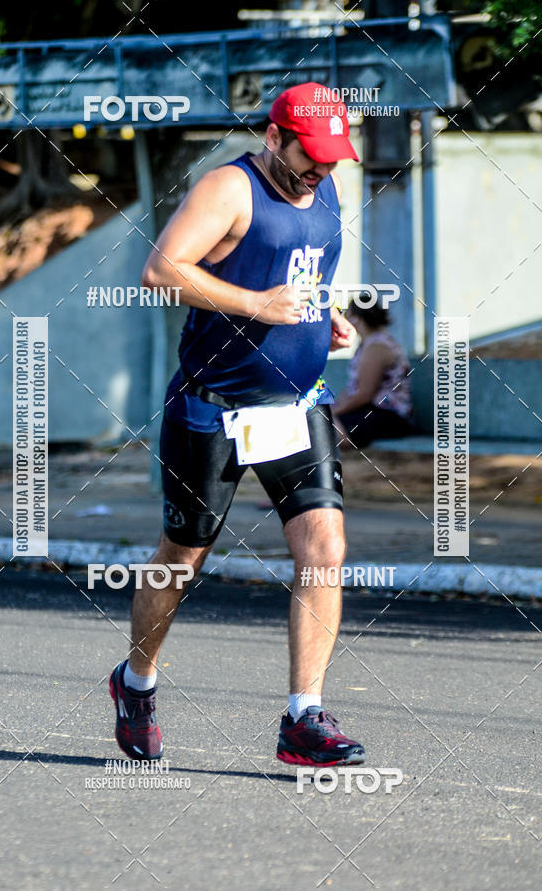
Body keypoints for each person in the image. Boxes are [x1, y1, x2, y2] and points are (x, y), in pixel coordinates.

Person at [109, 82, 367, 768]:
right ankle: (136, 684)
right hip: (212, 407)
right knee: (181, 560)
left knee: (325, 545)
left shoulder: (327, 185)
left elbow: (299, 270)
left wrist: (322, 313)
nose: (321, 169)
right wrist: (256, 303)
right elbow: (160, 270)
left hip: (297, 403)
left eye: (331, 158)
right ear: (274, 136)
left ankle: (303, 717)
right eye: (309, 155)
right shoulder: (230, 187)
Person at [332, 295, 415, 449]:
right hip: (373, 411)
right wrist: (334, 407)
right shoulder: (368, 344)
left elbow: (365, 394)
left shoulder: (377, 346)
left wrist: (334, 411)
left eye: (347, 316)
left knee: (328, 427)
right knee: (322, 422)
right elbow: (353, 389)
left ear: (357, 319)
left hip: (389, 417)